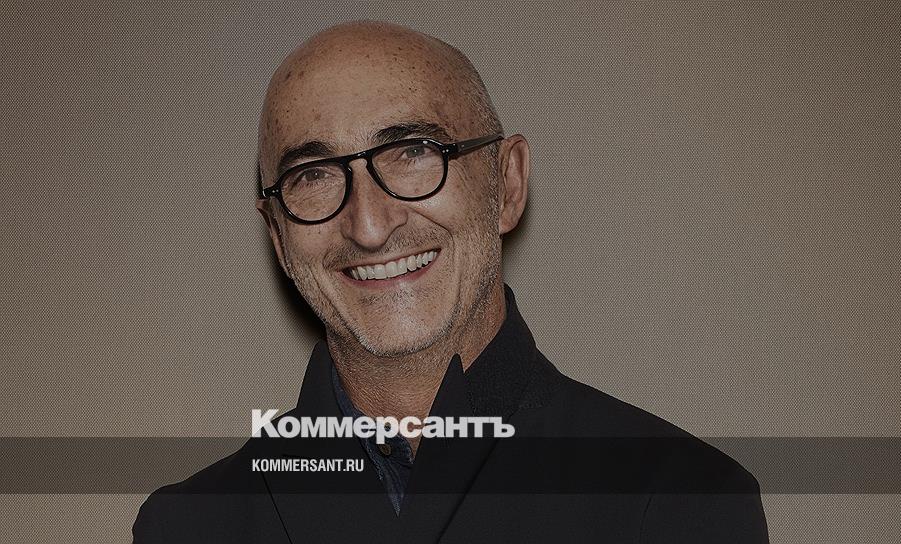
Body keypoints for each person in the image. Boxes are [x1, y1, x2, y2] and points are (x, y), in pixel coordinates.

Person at [133, 20, 768, 543]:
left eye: (413, 152)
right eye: (314, 175)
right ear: (278, 235)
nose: (369, 226)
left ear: (506, 185)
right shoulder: (188, 528)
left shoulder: (682, 502)